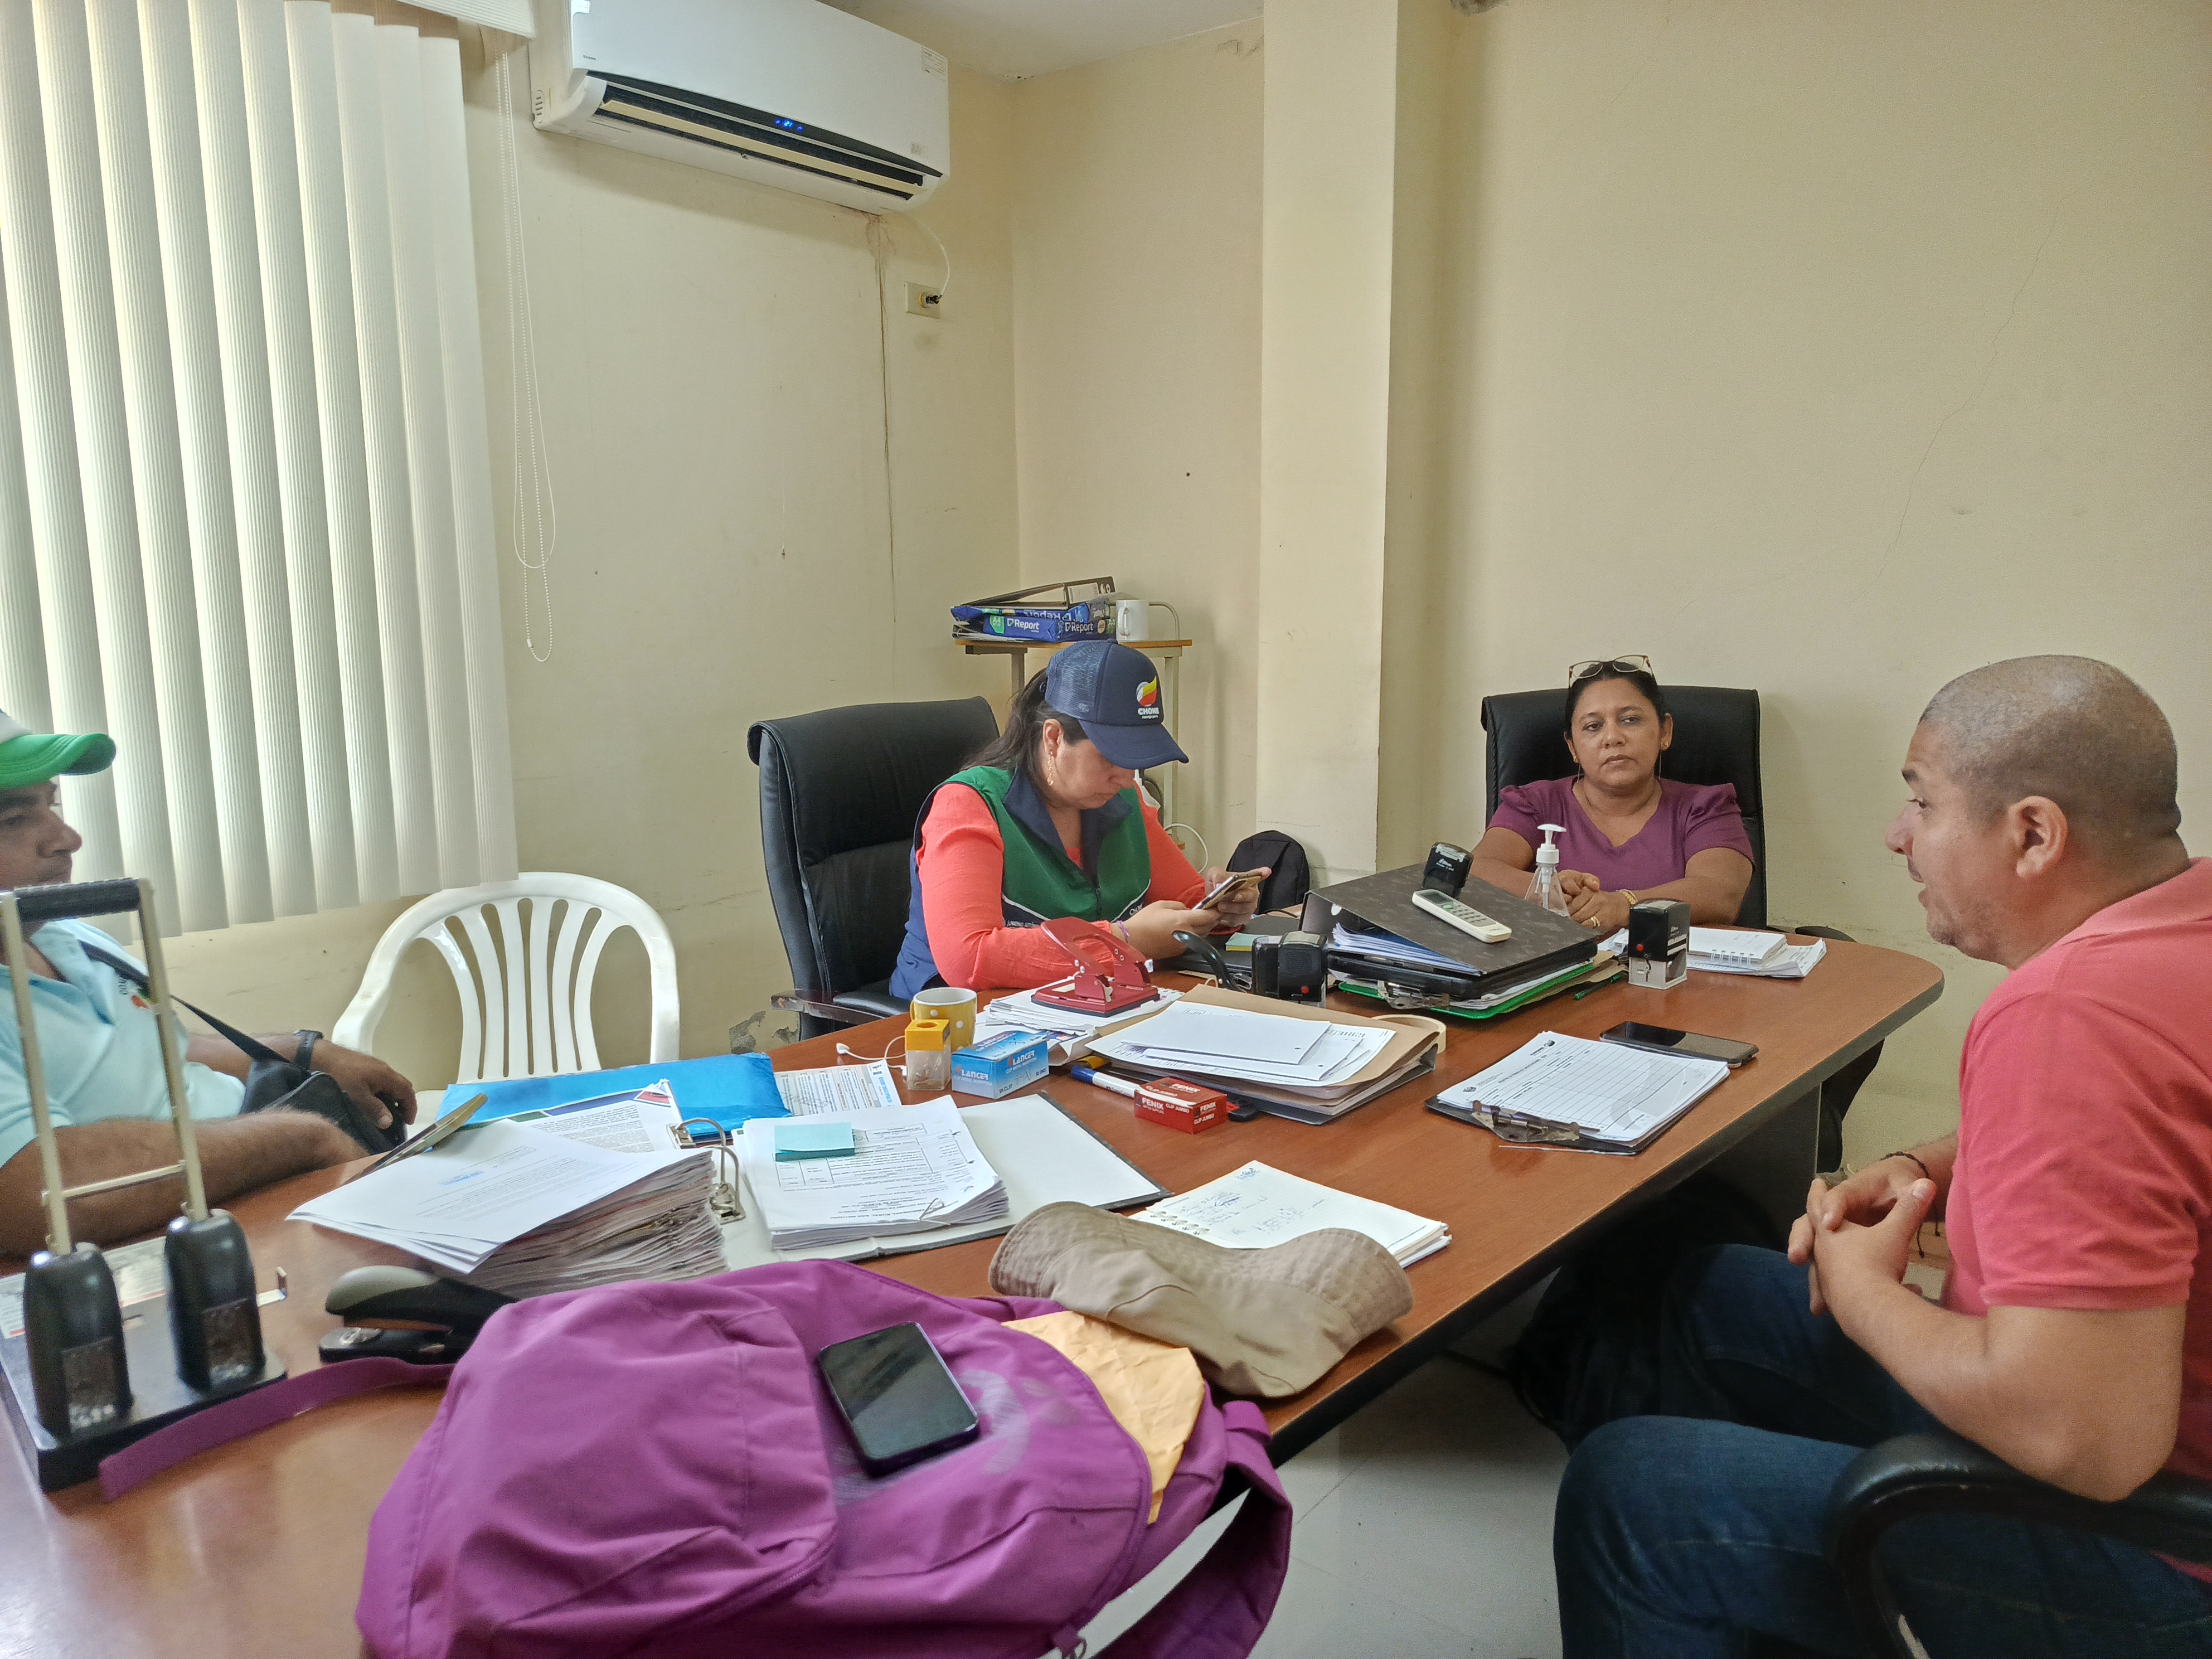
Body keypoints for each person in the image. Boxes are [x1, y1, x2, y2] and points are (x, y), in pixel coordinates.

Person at [1550, 656, 2212, 1657]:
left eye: (1922, 802)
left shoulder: (2072, 1017)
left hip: (2151, 1556)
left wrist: (1864, 1292)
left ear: (2032, 834)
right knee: (1707, 1290)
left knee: (1625, 1490)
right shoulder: (2179, 924)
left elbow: (2081, 1439)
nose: (1896, 834)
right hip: (2121, 1425)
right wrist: (1925, 1166)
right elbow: (2149, 1137)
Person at [0, 709, 417, 1257]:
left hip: (256, 1190)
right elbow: (32, 1196)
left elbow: (159, 1051)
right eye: (14, 819)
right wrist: (299, 1137)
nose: (68, 839)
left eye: (51, 805)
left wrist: (303, 1052)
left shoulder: (63, 934)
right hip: (176, 1244)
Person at [891, 641, 1265, 996]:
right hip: (953, 1020)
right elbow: (969, 957)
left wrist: (1222, 908)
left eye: (1136, 759)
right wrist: (1125, 940)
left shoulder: (1122, 799)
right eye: (1110, 757)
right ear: (1054, 738)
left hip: (1084, 1005)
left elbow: (1185, 902)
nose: (1126, 779)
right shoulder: (968, 805)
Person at [1466, 656, 1754, 930]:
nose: (1613, 738)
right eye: (1593, 726)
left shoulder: (1705, 807)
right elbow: (1476, 871)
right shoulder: (1535, 804)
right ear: (1573, 747)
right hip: (1561, 964)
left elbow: (1721, 894)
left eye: (1630, 720)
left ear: (1665, 732)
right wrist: (1548, 890)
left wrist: (1624, 906)